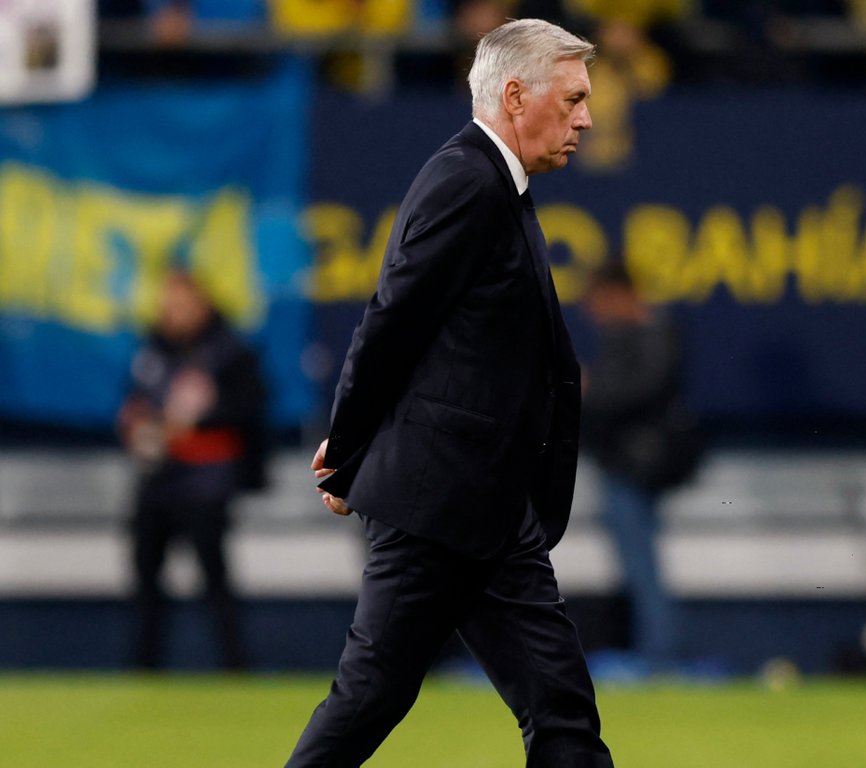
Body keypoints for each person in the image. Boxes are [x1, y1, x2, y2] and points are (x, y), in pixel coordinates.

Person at [288, 19, 613, 768]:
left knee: (561, 712)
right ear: (514, 96)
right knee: (370, 697)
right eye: (573, 100)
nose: (587, 120)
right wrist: (348, 449)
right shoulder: (468, 180)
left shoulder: (492, 182)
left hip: (489, 507)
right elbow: (393, 320)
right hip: (438, 504)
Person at [118, 269, 267, 670]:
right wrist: (137, 423)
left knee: (214, 579)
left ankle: (234, 666)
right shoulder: (153, 352)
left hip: (206, 481)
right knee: (146, 576)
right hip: (157, 479)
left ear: (202, 304)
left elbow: (249, 409)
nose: (175, 313)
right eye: (169, 305)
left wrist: (196, 422)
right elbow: (134, 400)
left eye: (183, 304)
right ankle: (144, 667)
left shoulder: (229, 352)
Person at [581, 262, 701, 673]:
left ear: (619, 293)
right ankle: (654, 650)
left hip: (638, 467)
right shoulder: (627, 337)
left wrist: (590, 388)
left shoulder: (654, 334)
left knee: (642, 564)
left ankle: (660, 655)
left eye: (598, 300)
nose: (594, 311)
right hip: (620, 464)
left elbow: (641, 391)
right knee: (636, 564)